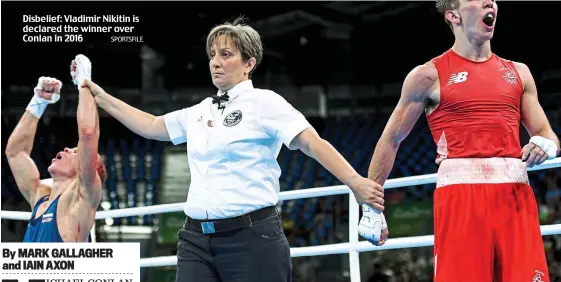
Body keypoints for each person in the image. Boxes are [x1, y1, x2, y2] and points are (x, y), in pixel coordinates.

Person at [78, 17, 385, 282]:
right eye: (213, 54)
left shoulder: (266, 103)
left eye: (226, 54)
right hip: (195, 239)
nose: (216, 61)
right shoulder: (201, 110)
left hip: (252, 238)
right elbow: (152, 125)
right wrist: (102, 97)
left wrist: (356, 182)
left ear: (249, 64)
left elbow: (312, 143)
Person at [365, 0, 560, 281]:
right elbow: (391, 139)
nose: (489, 2)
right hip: (460, 197)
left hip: (516, 195)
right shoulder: (428, 75)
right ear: (453, 15)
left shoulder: (519, 72)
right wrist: (372, 205)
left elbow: (545, 132)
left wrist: (547, 145)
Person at [5, 55, 107, 242]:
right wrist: (38, 102)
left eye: (76, 152)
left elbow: (88, 135)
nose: (67, 149)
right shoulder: (40, 197)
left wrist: (84, 83)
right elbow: (15, 153)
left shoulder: (79, 204)